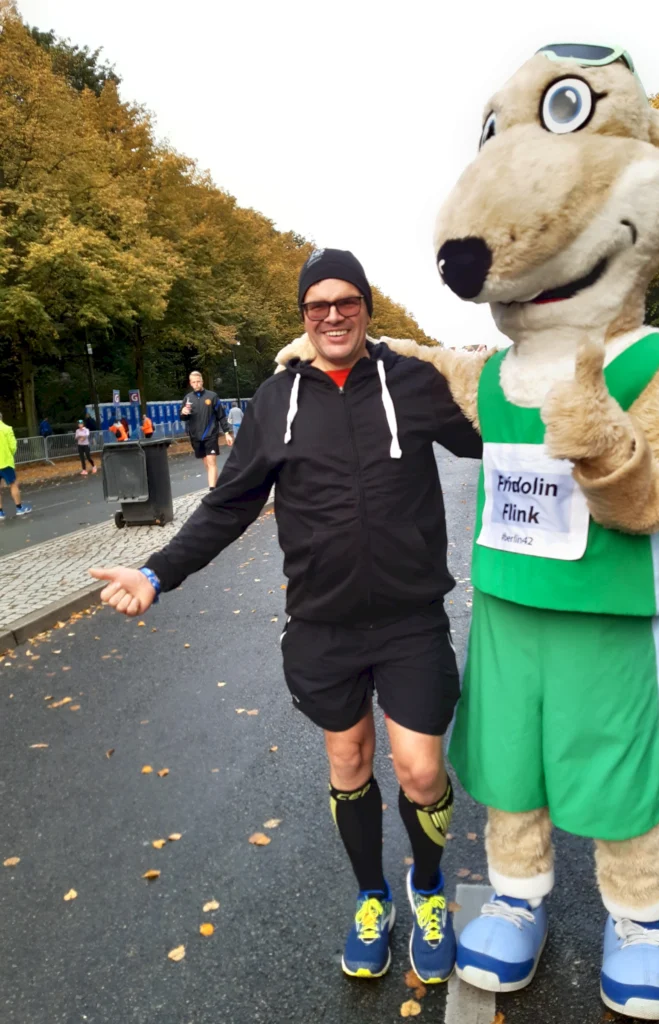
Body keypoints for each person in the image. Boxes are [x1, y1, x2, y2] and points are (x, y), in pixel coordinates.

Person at [89, 248, 483, 986]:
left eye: (346, 301)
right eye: (317, 306)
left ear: (366, 308)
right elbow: (229, 504)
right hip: (324, 625)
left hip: (409, 619)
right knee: (349, 762)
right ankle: (372, 898)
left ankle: (426, 891)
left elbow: (496, 434)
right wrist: (155, 572)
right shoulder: (278, 400)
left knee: (422, 770)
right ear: (304, 316)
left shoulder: (412, 382)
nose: (332, 315)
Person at [179, 371, 233, 489]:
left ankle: (212, 490)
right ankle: (217, 487)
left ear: (202, 381)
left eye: (198, 381)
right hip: (196, 437)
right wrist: (183, 413)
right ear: (191, 383)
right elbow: (183, 417)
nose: (196, 384)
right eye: (194, 382)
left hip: (211, 434)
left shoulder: (212, 396)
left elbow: (221, 416)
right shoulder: (188, 398)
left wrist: (227, 433)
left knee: (211, 462)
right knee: (207, 464)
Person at [0, 412, 32, 520]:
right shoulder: (7, 429)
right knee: (13, 484)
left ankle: (0, 512)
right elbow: (13, 446)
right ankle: (19, 507)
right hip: (5, 462)